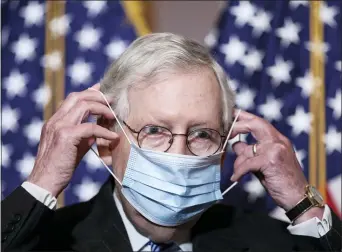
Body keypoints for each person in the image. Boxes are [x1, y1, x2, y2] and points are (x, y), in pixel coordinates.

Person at [1, 33, 340, 252]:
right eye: (155, 130)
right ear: (105, 141)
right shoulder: (45, 242)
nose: (179, 156)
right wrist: (41, 183)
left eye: (203, 134)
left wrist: (304, 205)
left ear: (223, 153)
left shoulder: (272, 243)